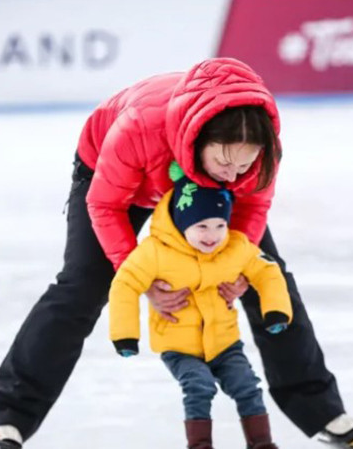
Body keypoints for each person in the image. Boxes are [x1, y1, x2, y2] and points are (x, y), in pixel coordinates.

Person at [0, 57, 353, 449]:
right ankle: (9, 416)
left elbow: (252, 206)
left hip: (199, 189)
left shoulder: (258, 154)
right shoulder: (138, 128)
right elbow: (104, 204)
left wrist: (237, 270)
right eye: (223, 161)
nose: (233, 176)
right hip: (118, 180)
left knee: (268, 278)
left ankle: (320, 409)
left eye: (244, 165)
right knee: (83, 285)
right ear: (200, 141)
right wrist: (141, 277)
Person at [109, 165, 293, 449]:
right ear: (183, 223)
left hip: (225, 343)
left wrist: (276, 310)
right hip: (179, 347)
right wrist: (125, 335)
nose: (213, 235)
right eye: (202, 226)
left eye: (220, 225)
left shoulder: (234, 246)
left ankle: (262, 443)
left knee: (247, 387)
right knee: (199, 386)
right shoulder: (155, 252)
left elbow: (267, 271)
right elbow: (125, 283)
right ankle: (200, 444)